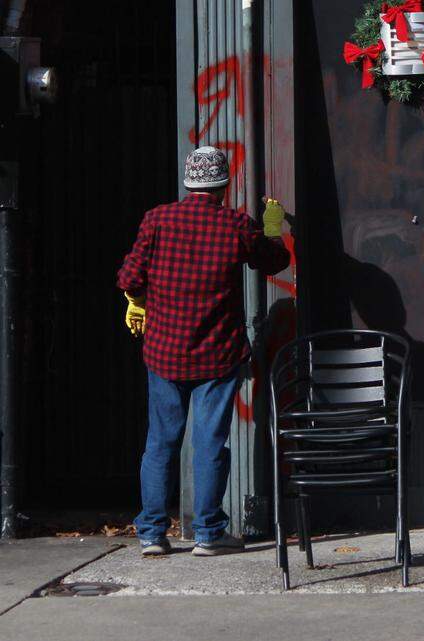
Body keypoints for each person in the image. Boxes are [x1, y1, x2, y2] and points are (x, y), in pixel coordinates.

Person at [117, 146, 291, 557]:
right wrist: (272, 225)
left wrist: (137, 300)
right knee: (210, 443)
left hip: (163, 351)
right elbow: (275, 261)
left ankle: (152, 534)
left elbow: (128, 276)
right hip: (217, 354)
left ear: (188, 182)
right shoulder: (236, 226)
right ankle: (208, 534)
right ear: (224, 185)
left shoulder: (157, 220)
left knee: (160, 443)